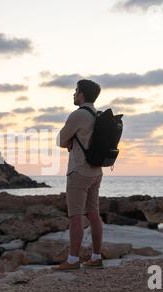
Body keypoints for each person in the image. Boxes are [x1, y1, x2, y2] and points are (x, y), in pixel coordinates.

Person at [53, 79, 104, 270]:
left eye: (76, 91)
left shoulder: (78, 115)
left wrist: (70, 142)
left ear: (81, 94)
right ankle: (96, 256)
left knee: (75, 216)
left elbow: (60, 140)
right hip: (96, 171)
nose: (73, 94)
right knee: (94, 214)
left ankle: (73, 260)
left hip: (78, 171)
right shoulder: (97, 115)